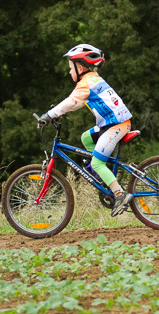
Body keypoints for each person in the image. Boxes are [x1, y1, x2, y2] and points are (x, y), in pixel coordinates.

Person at [37, 44, 134, 215]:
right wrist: (59, 114)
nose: (69, 72)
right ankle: (100, 175)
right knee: (86, 138)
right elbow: (79, 102)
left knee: (96, 162)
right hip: (112, 124)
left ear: (80, 67)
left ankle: (120, 194)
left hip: (116, 125)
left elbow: (70, 101)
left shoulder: (86, 83)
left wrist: (48, 116)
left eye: (70, 68)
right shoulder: (93, 79)